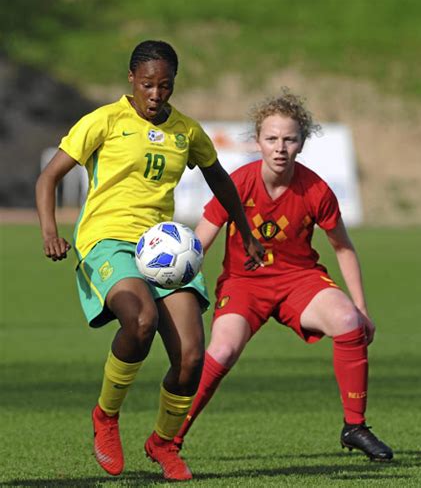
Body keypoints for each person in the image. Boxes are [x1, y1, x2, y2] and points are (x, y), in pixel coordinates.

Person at [35, 39, 264, 481]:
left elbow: (220, 179)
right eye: (147, 85)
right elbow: (49, 178)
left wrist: (247, 232)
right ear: (131, 80)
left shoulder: (187, 131)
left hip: (163, 247)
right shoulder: (104, 120)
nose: (156, 95)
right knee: (138, 320)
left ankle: (162, 442)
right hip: (106, 240)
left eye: (164, 86)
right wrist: (50, 232)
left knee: (192, 356)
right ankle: (106, 416)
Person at [173, 90, 393, 462]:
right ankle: (170, 438)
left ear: (302, 143)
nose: (280, 148)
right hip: (245, 283)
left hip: (299, 280)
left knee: (348, 323)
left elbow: (342, 247)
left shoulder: (317, 190)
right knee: (222, 350)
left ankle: (355, 426)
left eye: (289, 139)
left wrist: (362, 308)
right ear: (257, 141)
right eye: (272, 139)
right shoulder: (238, 184)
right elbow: (197, 245)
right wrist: (178, 289)